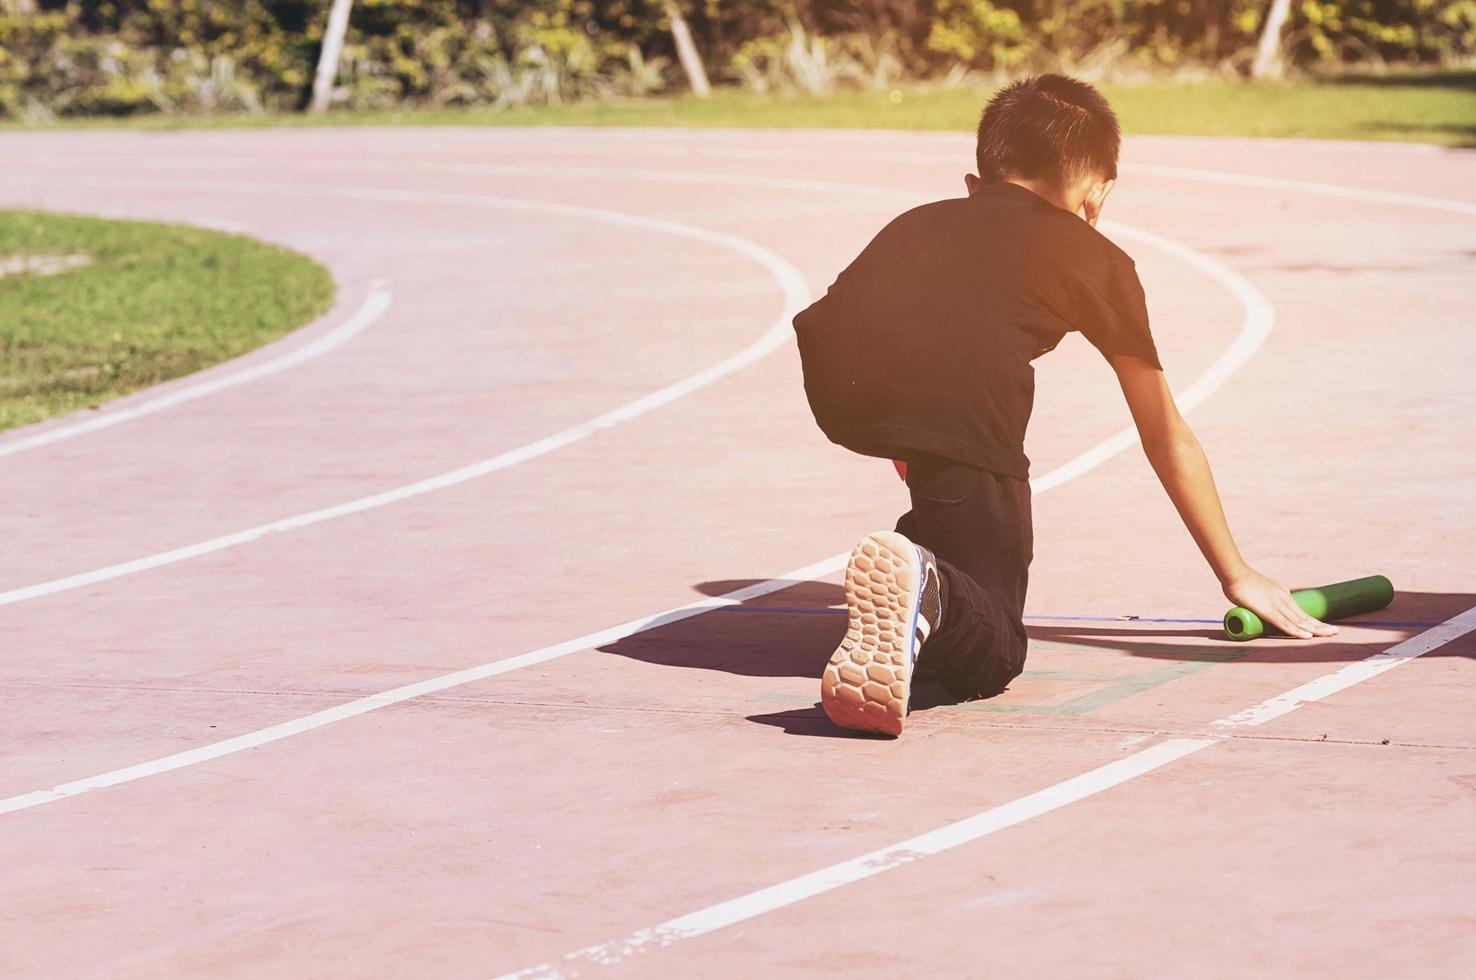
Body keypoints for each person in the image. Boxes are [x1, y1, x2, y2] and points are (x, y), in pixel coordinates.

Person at [792, 73, 1336, 737]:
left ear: (977, 181)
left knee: (943, 463)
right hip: (961, 416)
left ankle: (918, 567)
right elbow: (1164, 432)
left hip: (838, 385)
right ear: (1099, 192)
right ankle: (931, 583)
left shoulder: (918, 220)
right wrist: (1236, 573)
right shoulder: (1097, 258)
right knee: (993, 652)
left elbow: (887, 340)